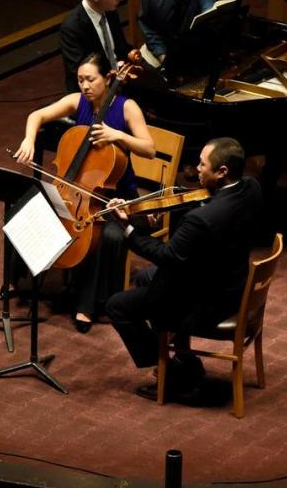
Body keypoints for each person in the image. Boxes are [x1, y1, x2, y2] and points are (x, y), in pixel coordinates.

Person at [105, 137, 263, 400]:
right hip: (230, 281)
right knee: (145, 278)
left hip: (207, 302)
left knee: (118, 306)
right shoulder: (250, 187)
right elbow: (210, 209)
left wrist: (128, 228)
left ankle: (169, 370)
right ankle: (181, 358)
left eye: (202, 165)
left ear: (222, 171)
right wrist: (173, 207)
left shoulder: (201, 220)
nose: (196, 169)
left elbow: (166, 255)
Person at [13, 53, 155, 332]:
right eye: (80, 80)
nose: (85, 86)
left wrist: (119, 136)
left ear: (108, 78)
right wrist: (29, 138)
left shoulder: (127, 108)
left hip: (119, 199)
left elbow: (149, 148)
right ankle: (18, 281)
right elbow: (36, 114)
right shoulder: (78, 102)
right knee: (27, 208)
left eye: (91, 79)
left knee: (109, 234)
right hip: (77, 191)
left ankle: (88, 305)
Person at [59, 0, 133, 93]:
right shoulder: (72, 27)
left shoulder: (109, 10)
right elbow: (81, 74)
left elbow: (121, 48)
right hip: (92, 92)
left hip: (120, 80)